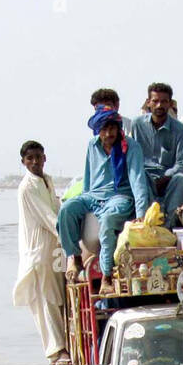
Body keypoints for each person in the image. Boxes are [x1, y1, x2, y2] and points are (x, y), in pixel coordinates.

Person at [57, 107, 151, 281]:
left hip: (119, 196)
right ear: (98, 131)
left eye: (112, 129)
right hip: (93, 196)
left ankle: (106, 275)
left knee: (107, 221)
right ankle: (75, 257)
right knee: (67, 209)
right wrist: (83, 201)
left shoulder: (130, 146)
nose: (109, 134)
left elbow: (137, 181)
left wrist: (141, 215)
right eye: (104, 130)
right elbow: (88, 176)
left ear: (118, 128)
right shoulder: (92, 145)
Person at [14, 141, 69, 365]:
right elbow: (48, 217)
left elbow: (56, 208)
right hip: (39, 248)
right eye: (30, 159)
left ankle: (66, 344)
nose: (35, 162)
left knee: (59, 297)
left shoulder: (47, 180)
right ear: (24, 162)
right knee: (47, 298)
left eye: (38, 157)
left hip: (54, 247)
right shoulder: (26, 187)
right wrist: (69, 234)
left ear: (45, 158)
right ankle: (56, 351)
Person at [130, 82, 183, 227]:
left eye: (164, 101)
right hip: (146, 176)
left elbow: (182, 162)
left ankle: (168, 225)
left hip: (168, 177)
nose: (159, 105)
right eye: (155, 101)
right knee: (140, 178)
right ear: (148, 103)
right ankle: (146, 222)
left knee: (181, 179)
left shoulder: (179, 129)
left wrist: (166, 176)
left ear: (170, 103)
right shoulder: (137, 124)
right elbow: (133, 157)